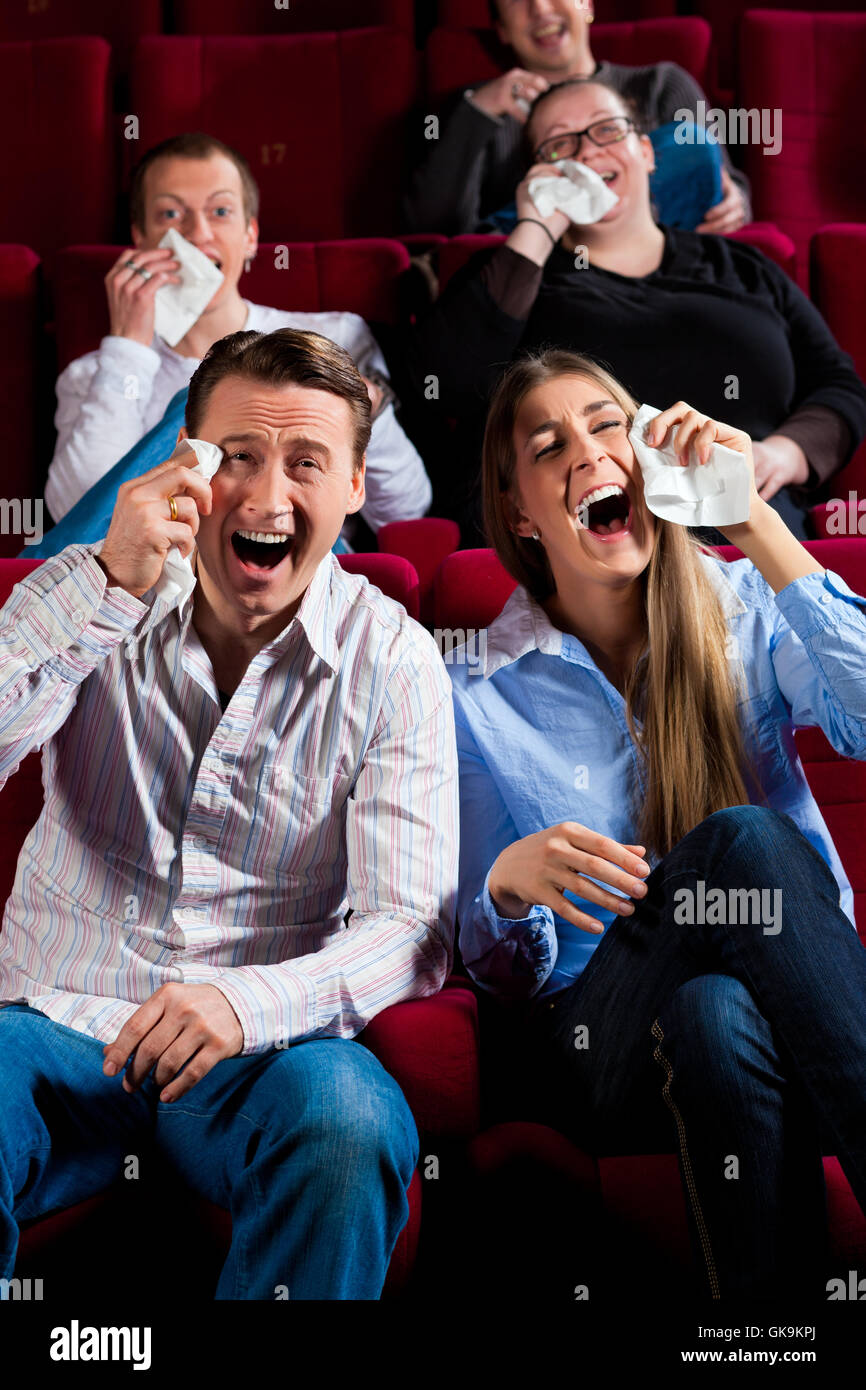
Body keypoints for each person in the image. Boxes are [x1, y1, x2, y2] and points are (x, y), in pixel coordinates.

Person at [0, 329, 458, 1300]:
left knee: (349, 1121)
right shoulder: (93, 589)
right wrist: (101, 585)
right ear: (188, 468)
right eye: (236, 458)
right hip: (53, 1027)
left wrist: (247, 1004)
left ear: (351, 489)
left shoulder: (394, 660)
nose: (264, 498)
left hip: (258, 1055)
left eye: (304, 464)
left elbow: (409, 928)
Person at [449, 347, 866, 1300]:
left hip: (787, 1010)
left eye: (607, 426)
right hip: (601, 1038)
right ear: (521, 511)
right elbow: (501, 972)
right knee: (750, 839)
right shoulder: (474, 693)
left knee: (715, 1014)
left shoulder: (744, 604)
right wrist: (508, 890)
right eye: (550, 445)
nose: (588, 454)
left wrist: (751, 519)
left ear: (646, 456)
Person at [402, 77, 866, 542]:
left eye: (606, 130)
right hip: (595, 539)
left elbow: (839, 385)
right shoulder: (515, 273)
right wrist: (535, 231)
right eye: (559, 145)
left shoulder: (744, 266)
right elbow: (442, 384)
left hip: (750, 530)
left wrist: (787, 452)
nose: (585, 152)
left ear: (646, 152)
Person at [45, 132, 431, 548]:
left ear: (250, 237)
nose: (197, 233)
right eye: (171, 214)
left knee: (223, 393)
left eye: (221, 211)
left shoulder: (336, 338)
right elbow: (77, 522)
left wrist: (365, 403)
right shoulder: (97, 373)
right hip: (158, 580)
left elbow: (405, 512)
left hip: (301, 571)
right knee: (199, 400)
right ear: (141, 237)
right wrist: (127, 347)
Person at [402, 0, 750, 236]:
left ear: (587, 4)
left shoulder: (661, 85)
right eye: (515, 0)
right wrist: (477, 113)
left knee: (690, 145)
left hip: (660, 265)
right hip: (542, 285)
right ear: (502, 30)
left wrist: (736, 205)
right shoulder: (475, 109)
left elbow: (726, 185)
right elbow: (436, 231)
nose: (539, 8)